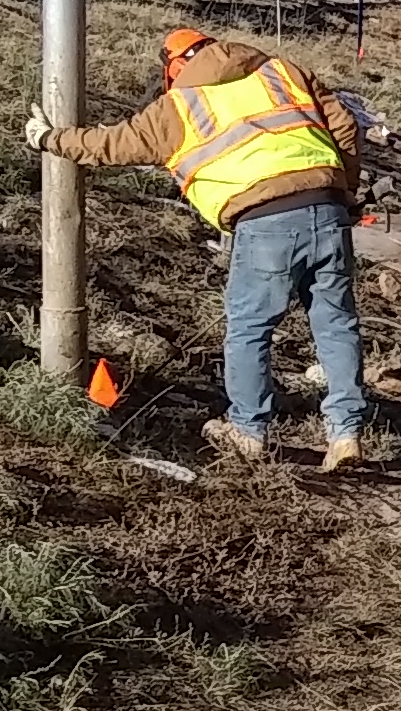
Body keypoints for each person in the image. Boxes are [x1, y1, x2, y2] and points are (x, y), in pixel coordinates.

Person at [26, 28, 371, 468]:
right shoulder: (282, 72)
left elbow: (110, 144)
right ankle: (346, 434)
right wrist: (346, 189)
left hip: (263, 221)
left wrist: (47, 138)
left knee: (250, 329)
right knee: (336, 324)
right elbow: (342, 122)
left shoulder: (179, 107)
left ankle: (248, 431)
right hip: (327, 208)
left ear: (174, 67)